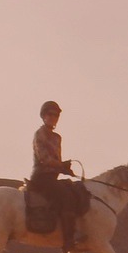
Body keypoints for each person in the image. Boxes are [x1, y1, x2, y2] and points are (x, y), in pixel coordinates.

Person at [27, 101, 77, 244]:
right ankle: (68, 239)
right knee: (65, 195)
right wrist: (61, 165)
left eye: (56, 115)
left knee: (73, 190)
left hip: (52, 177)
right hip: (41, 177)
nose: (53, 117)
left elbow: (56, 160)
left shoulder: (57, 138)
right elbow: (44, 159)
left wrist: (65, 169)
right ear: (43, 116)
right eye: (50, 114)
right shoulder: (39, 134)